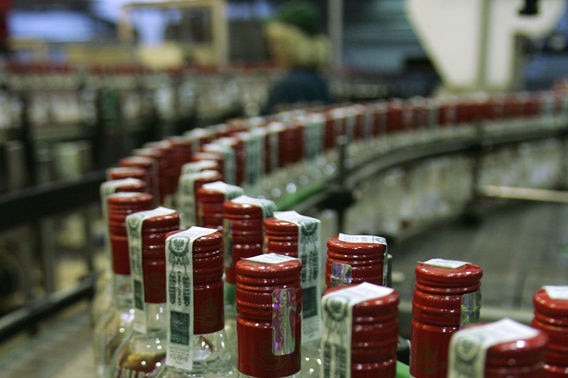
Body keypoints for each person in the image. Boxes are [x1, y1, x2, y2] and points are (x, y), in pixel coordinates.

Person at [261, 0, 333, 115]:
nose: (271, 50)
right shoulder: (318, 81)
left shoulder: (289, 87)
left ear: (289, 45)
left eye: (275, 43)